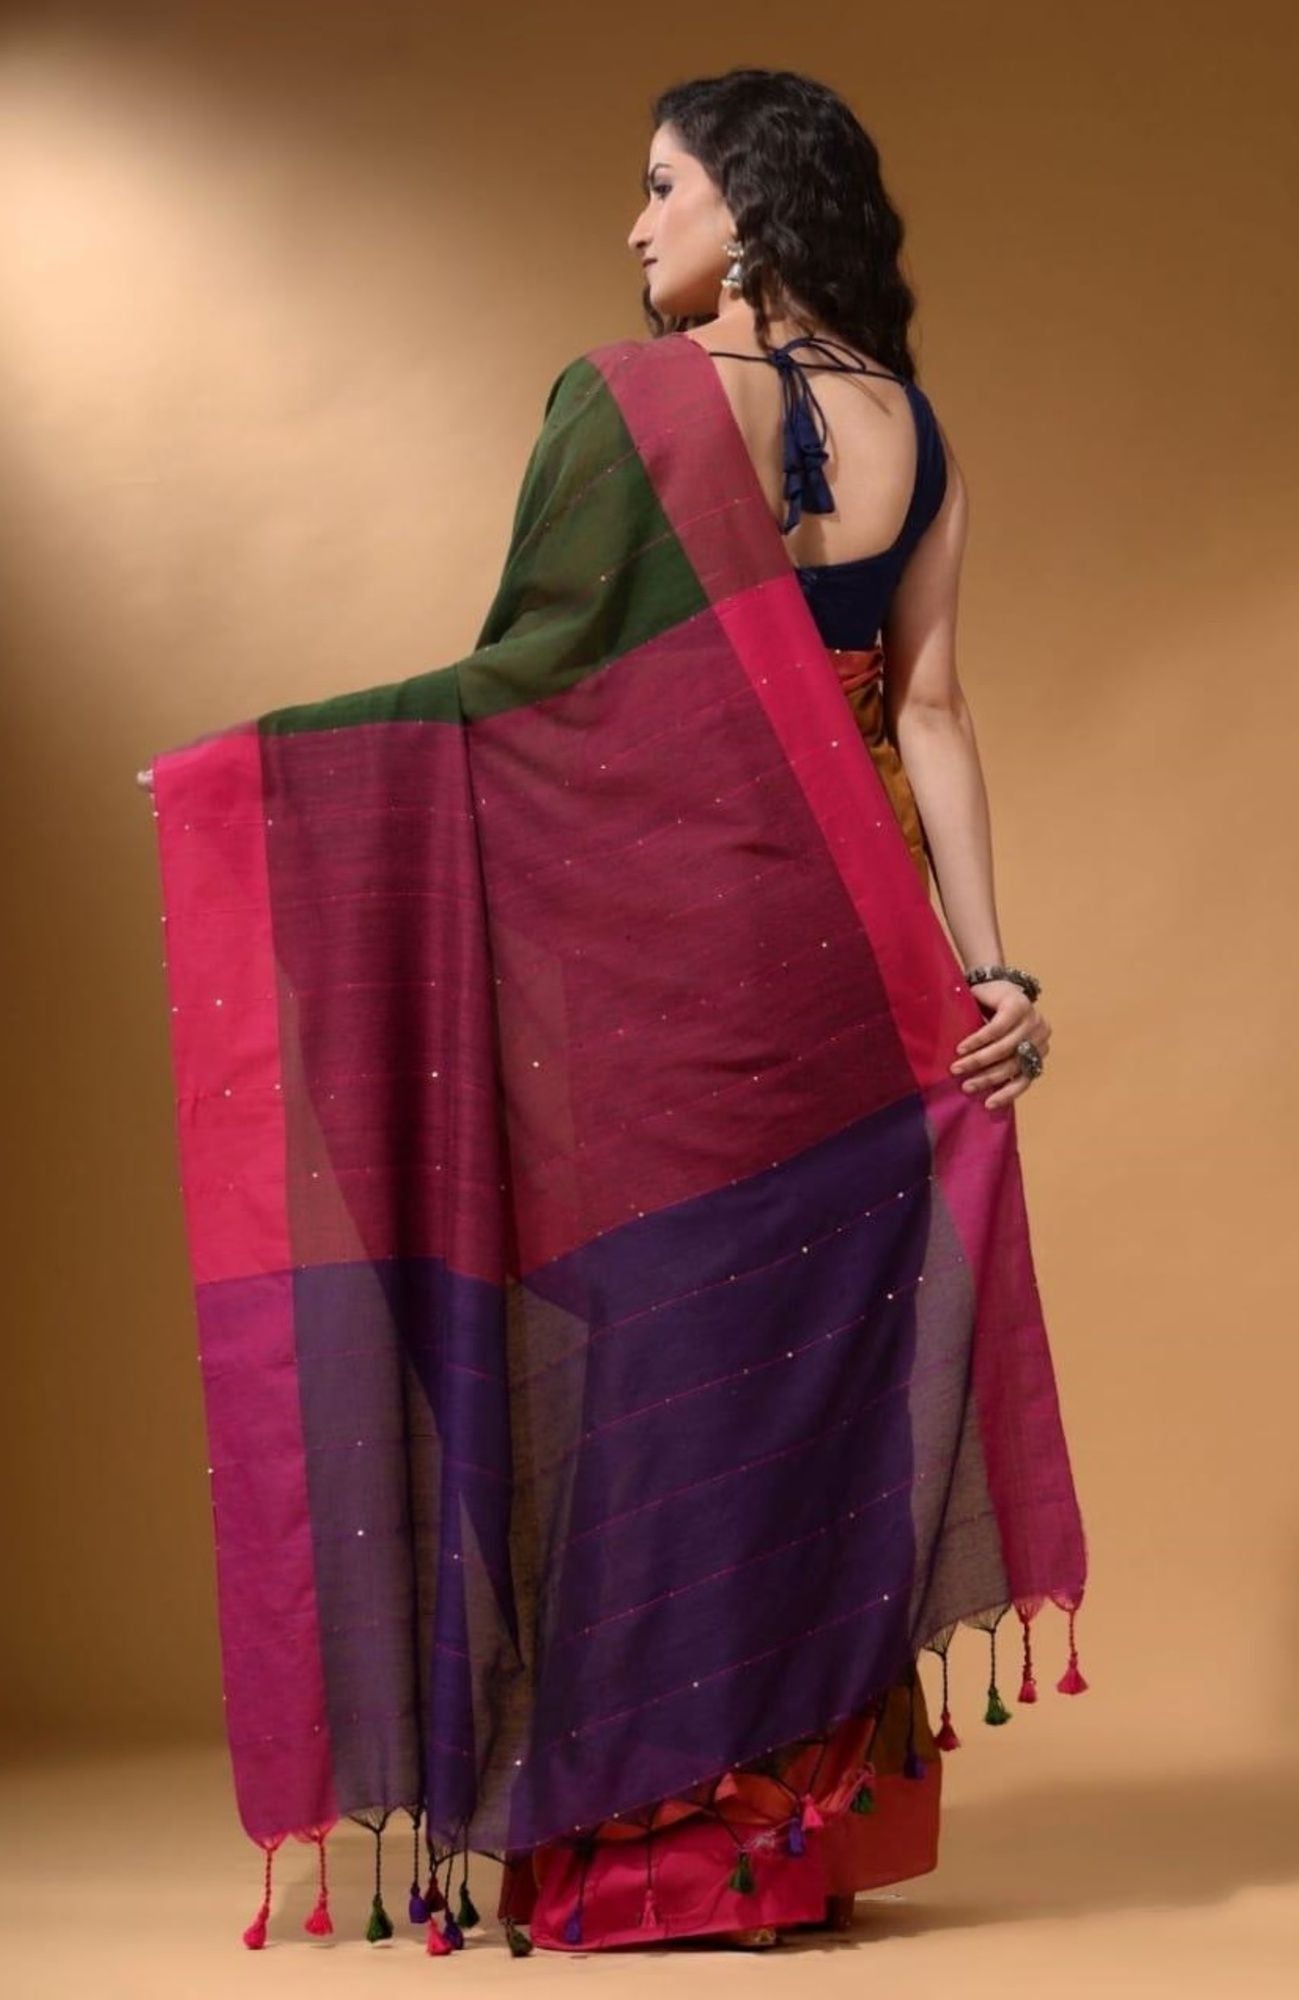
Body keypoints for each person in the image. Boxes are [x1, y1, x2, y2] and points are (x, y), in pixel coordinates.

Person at [140, 65, 1086, 1964]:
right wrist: (991, 975)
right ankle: (782, 1851)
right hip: (865, 955)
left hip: (680, 946)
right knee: (800, 1364)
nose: (636, 224)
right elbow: (928, 710)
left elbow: (533, 691)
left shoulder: (639, 397)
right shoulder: (917, 431)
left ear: (749, 198)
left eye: (663, 186)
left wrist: (258, 779)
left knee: (660, 1363)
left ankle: (658, 1852)